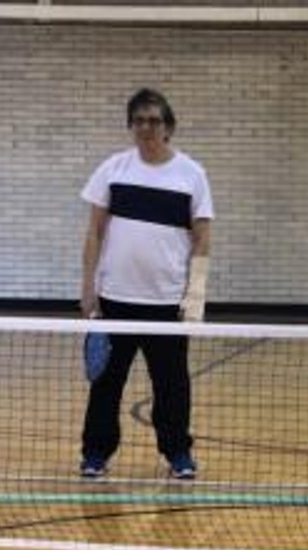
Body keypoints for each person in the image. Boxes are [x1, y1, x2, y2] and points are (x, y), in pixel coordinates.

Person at [78, 88, 213, 480]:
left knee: (172, 386)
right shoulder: (113, 169)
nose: (146, 128)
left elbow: (203, 236)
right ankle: (95, 454)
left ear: (168, 126)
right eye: (138, 121)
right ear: (131, 126)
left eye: (154, 120)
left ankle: (178, 455)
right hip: (112, 300)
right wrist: (87, 288)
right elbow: (94, 233)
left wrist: (196, 294)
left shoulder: (191, 174)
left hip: (166, 303)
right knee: (105, 384)